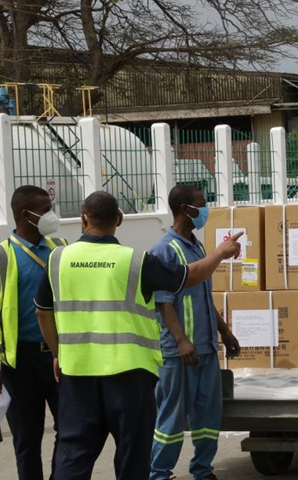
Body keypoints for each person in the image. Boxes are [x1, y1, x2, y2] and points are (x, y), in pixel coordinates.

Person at [34, 191, 243, 480]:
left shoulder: (59, 258)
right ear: (119, 219)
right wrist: (220, 252)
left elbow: (42, 312)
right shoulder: (136, 261)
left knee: (74, 453)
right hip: (129, 376)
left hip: (78, 375)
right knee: (133, 455)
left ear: (83, 218)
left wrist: (58, 353)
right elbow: (190, 276)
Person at [149, 185, 240, 480]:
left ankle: (203, 470)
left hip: (206, 348)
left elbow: (203, 295)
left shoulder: (197, 246)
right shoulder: (164, 250)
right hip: (180, 352)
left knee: (207, 417)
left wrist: (224, 331)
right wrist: (181, 340)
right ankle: (159, 473)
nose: (206, 209)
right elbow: (164, 303)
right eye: (201, 205)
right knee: (172, 420)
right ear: (185, 209)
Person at [0, 185, 67, 480]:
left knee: (69, 432)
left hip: (58, 357)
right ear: (26, 215)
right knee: (26, 440)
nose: (51, 215)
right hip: (19, 364)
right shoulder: (3, 256)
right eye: (45, 209)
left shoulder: (60, 248)